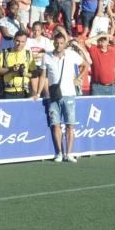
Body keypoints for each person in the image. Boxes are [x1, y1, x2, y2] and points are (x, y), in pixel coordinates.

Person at [37, 32, 85, 163]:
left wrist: (78, 79)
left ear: (65, 44)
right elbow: (43, 76)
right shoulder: (46, 56)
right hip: (53, 95)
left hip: (69, 94)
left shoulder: (71, 55)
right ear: (53, 43)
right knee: (55, 124)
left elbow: (85, 65)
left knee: (70, 124)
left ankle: (69, 153)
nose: (59, 45)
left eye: (61, 43)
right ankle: (59, 152)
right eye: (57, 43)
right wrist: (37, 92)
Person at [0, 31, 37, 99]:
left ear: (25, 42)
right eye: (17, 41)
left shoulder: (28, 54)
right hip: (8, 91)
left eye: (22, 42)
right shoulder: (5, 53)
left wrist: (34, 91)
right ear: (13, 40)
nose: (19, 44)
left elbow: (34, 74)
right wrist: (11, 69)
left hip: (25, 92)